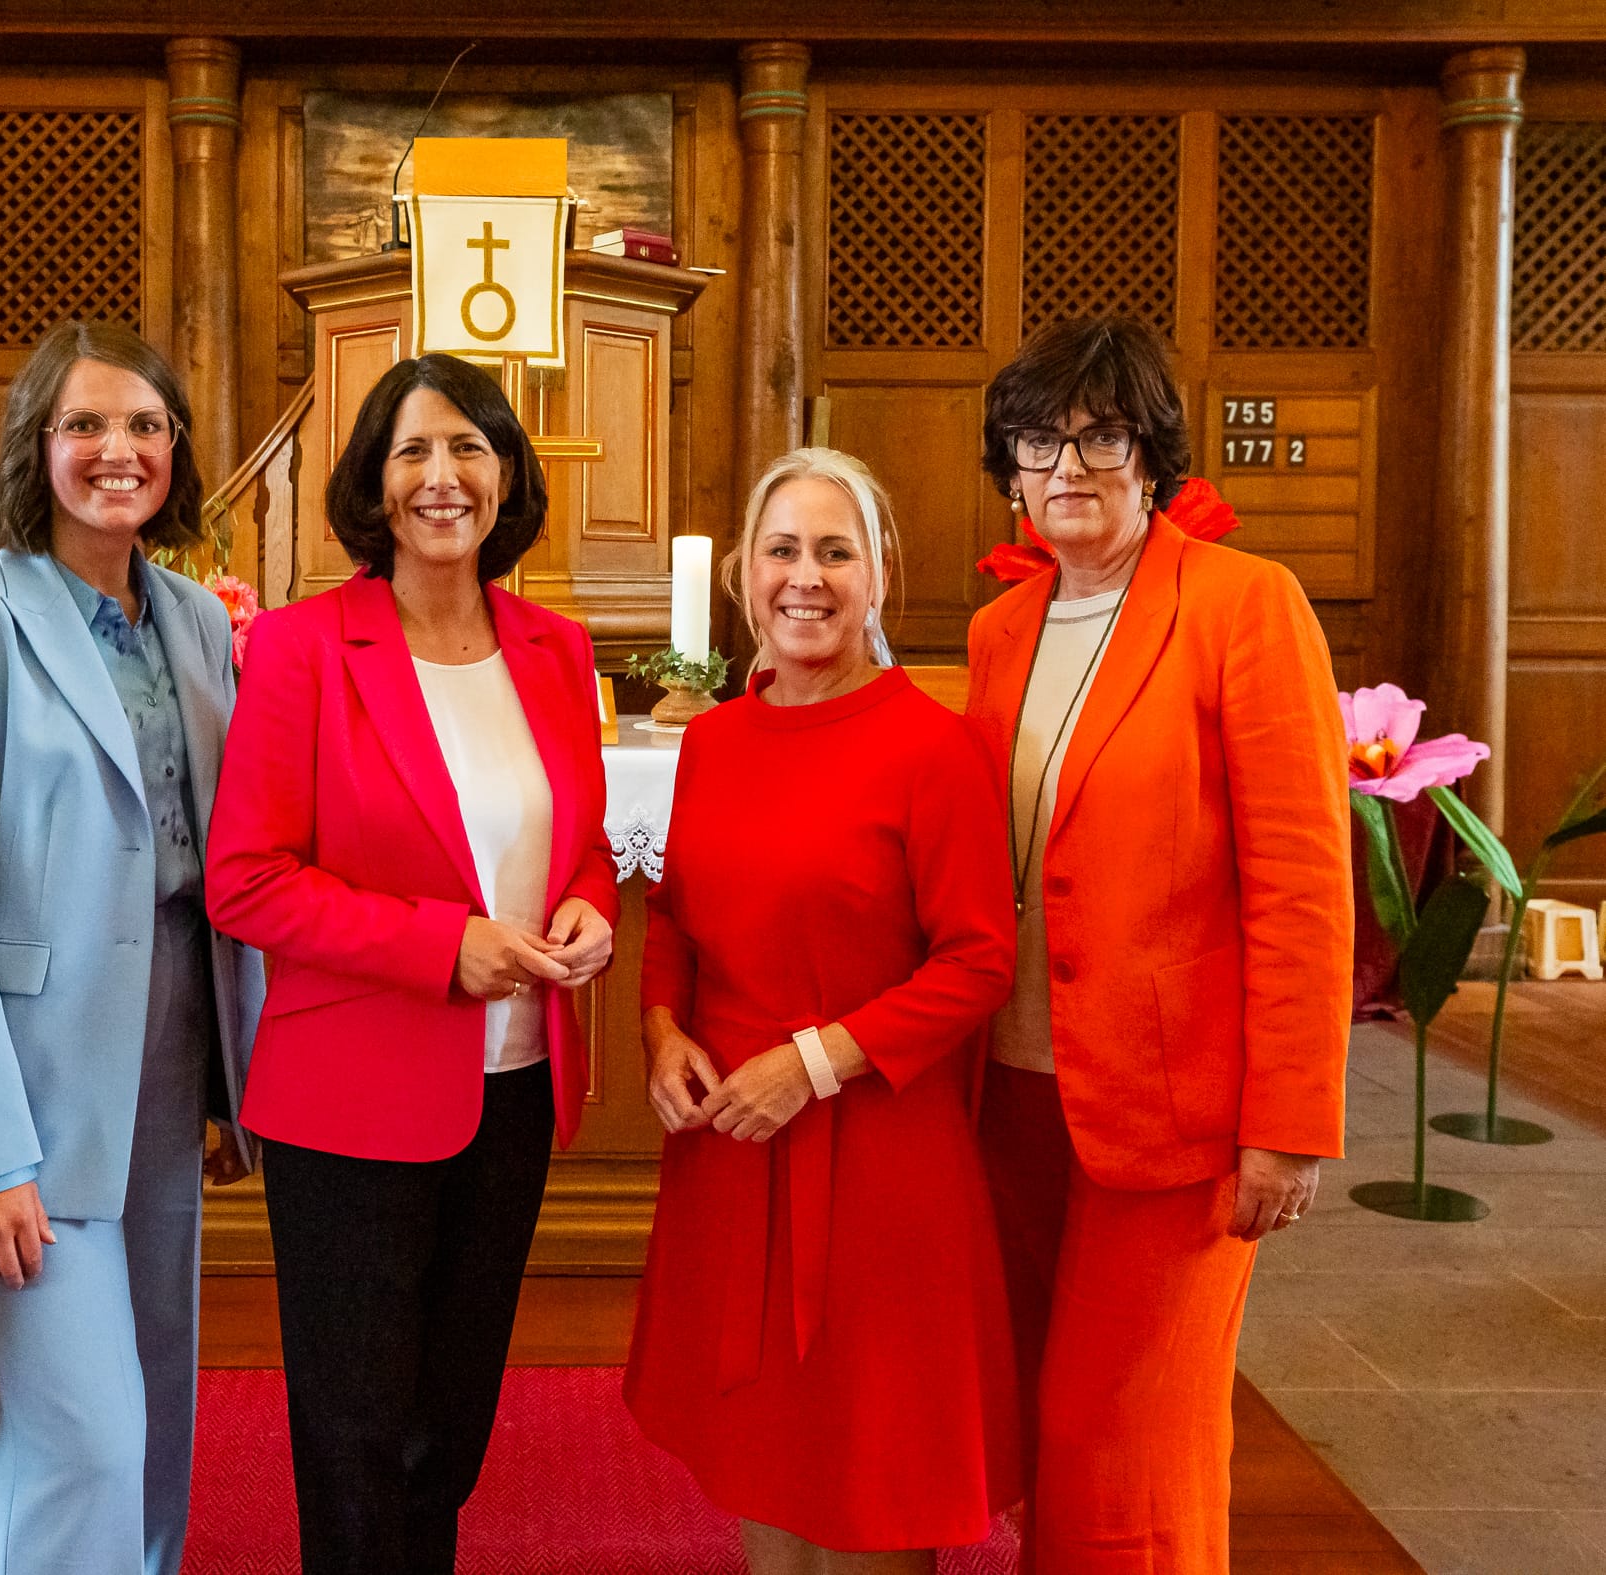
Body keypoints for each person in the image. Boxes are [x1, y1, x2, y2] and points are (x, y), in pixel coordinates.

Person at [205, 352, 618, 1575]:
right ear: (373, 485)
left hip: (514, 1088)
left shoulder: (554, 647)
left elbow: (579, 843)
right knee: (357, 1436)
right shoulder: (301, 648)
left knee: (453, 1423)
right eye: (413, 451)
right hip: (351, 1097)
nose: (443, 477)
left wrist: (588, 907)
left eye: (469, 449)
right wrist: (445, 947)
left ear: (507, 477)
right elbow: (247, 880)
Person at [966, 316, 1352, 1574]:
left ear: (1153, 456)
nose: (1067, 467)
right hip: (1014, 1090)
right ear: (1010, 469)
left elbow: (1302, 885)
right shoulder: (1000, 631)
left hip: (1175, 1108)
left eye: (1101, 437)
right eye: (1038, 442)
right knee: (1044, 1412)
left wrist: (1287, 1120)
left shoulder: (1243, 605)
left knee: (1126, 1439)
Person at [0, 319, 260, 1575]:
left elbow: (218, 864)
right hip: (31, 1088)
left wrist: (235, 1084)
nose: (117, 449)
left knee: (151, 1419)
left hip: (168, 1061)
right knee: (73, 1442)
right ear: (34, 445)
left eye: (145, 425)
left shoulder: (192, 621)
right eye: (84, 424)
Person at [625, 448, 1022, 1575]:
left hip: (877, 1154)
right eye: (784, 550)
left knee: (868, 1467)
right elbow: (677, 917)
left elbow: (978, 960)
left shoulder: (931, 746)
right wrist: (661, 1030)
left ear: (878, 573)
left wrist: (812, 1061)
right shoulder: (713, 740)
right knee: (760, 1449)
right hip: (733, 1152)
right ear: (745, 574)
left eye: (834, 552)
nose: (806, 577)